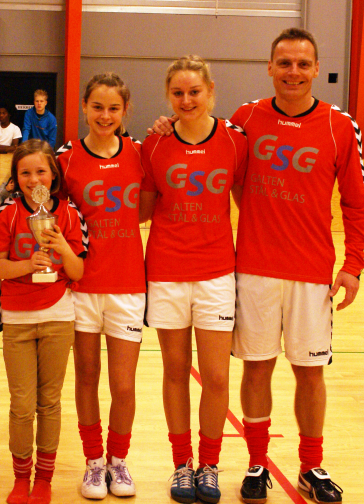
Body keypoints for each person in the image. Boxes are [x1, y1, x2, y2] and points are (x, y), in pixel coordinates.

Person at [152, 28, 364, 504]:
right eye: (284, 63)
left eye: (303, 64)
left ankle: (311, 466)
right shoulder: (246, 120)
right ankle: (256, 464)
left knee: (310, 373)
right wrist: (166, 126)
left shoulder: (340, 125)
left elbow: (357, 202)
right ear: (269, 68)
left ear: (316, 69)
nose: (293, 72)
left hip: (312, 272)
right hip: (252, 269)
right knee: (256, 371)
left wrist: (353, 264)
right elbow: (205, 140)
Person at [141, 56, 247, 504]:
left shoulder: (235, 141)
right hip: (166, 271)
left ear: (211, 91)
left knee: (217, 377)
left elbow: (249, 203)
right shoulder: (154, 144)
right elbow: (142, 210)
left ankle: (210, 464)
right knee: (175, 371)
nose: (186, 100)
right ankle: (182, 464)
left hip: (216, 273)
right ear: (169, 96)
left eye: (194, 92)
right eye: (178, 93)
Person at [55, 73, 146, 500]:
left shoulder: (140, 154)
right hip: (81, 286)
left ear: (125, 110)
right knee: (87, 377)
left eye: (113, 108)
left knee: (123, 385)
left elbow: (147, 207)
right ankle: (94, 461)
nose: (105, 116)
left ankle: (118, 460)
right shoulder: (66, 158)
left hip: (127, 285)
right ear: (84, 108)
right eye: (97, 107)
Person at [0, 139, 87, 504]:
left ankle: (44, 479)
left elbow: (78, 271)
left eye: (41, 171)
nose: (33, 179)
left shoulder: (70, 214)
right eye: (25, 172)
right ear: (15, 178)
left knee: (50, 402)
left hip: (58, 316)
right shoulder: (7, 213)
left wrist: (61, 247)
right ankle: (20, 477)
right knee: (22, 404)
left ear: (53, 176)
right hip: (17, 319)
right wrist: (29, 265)